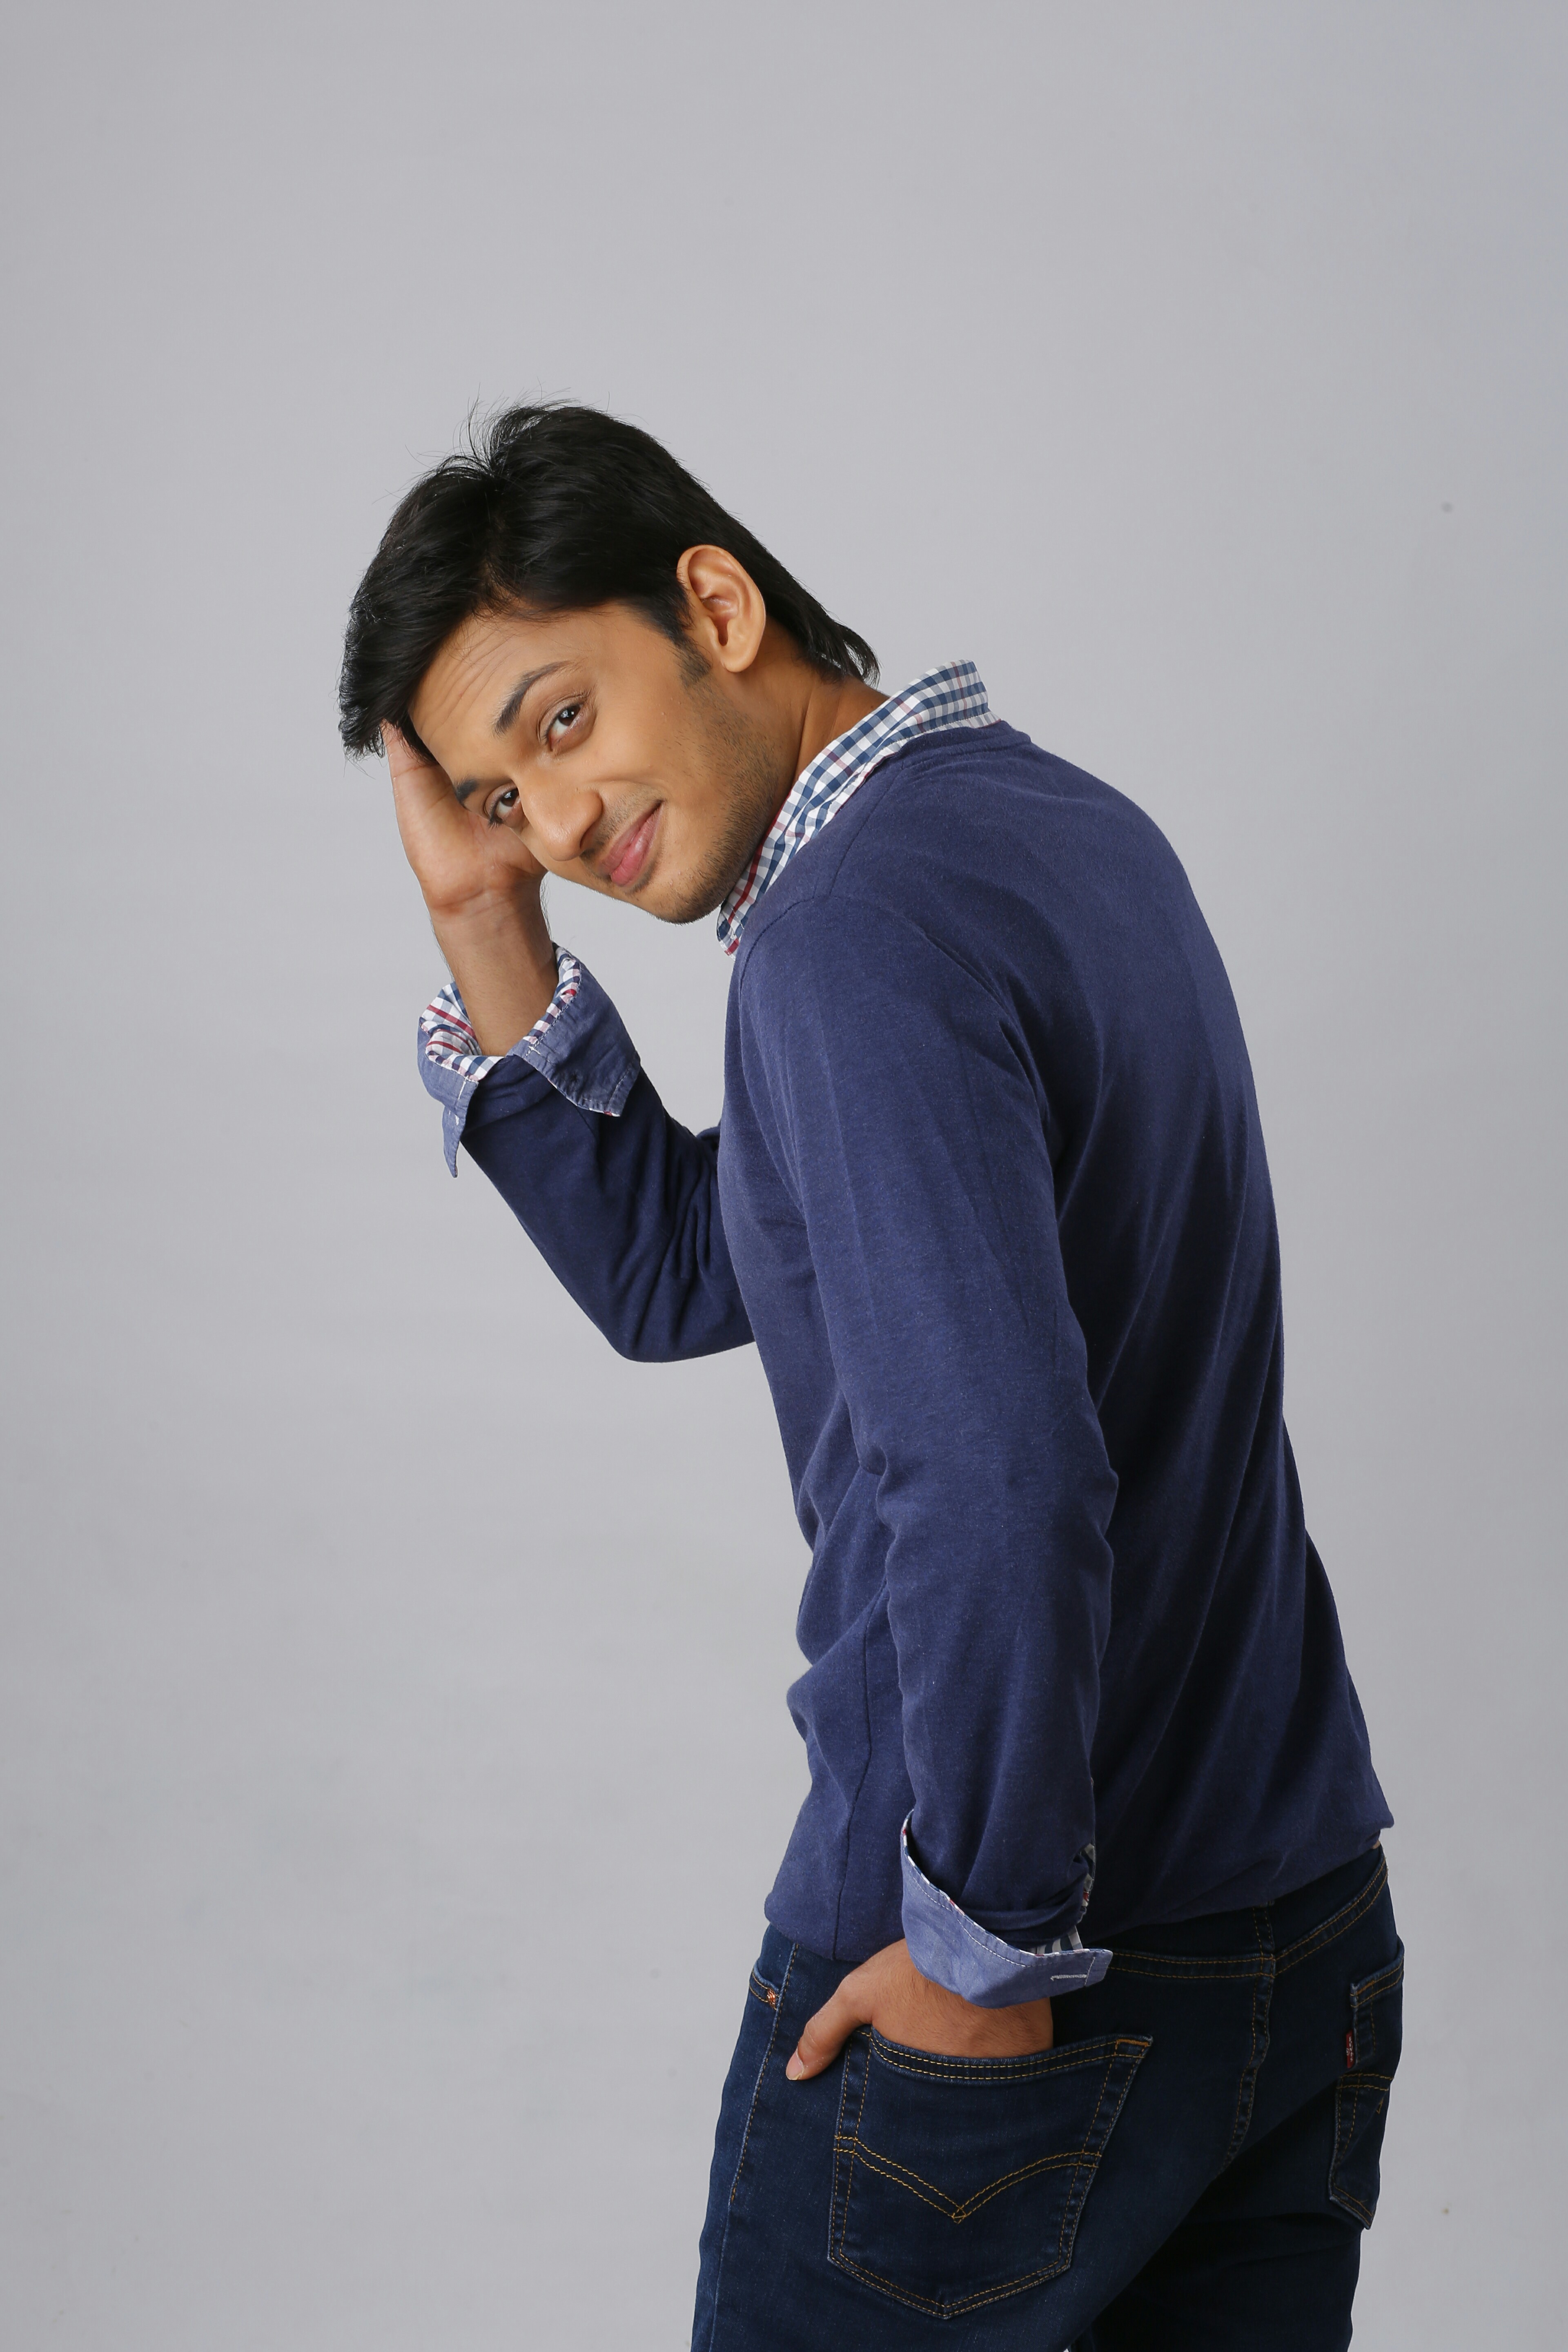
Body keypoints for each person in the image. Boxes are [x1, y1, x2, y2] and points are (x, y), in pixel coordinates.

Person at [338, 403, 1401, 2350]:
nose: (554, 827)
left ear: (715, 606)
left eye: (562, 722)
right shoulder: (1063, 827)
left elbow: (999, 1480)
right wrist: (481, 918)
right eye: (501, 795)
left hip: (1018, 1974)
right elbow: (689, 1268)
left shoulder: (848, 942)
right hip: (1290, 1929)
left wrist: (983, 1947)